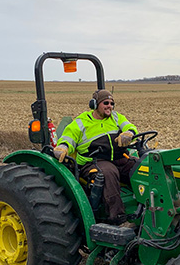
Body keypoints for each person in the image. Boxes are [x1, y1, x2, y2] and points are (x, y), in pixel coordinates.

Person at [54, 89, 138, 225]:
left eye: (112, 103)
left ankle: (149, 209)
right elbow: (69, 137)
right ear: (94, 104)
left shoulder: (116, 117)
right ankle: (118, 220)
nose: (109, 106)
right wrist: (63, 146)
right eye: (106, 103)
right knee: (109, 173)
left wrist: (128, 132)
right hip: (94, 161)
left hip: (119, 158)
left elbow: (129, 125)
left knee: (142, 167)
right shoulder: (82, 122)